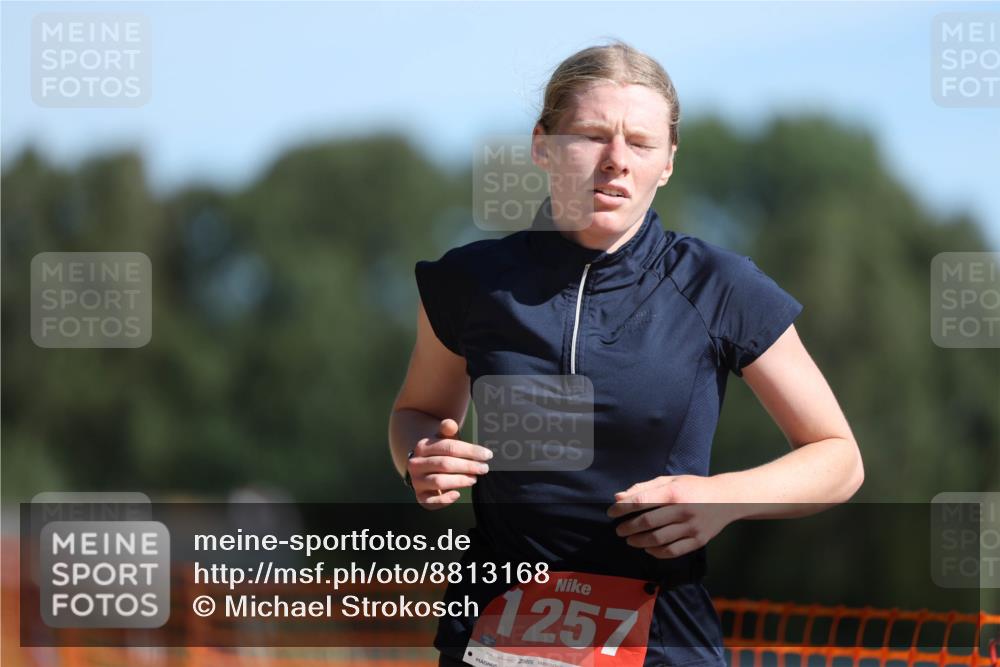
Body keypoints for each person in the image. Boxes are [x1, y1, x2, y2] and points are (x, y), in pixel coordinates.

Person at [388, 40, 864, 667]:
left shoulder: (720, 286)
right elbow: (416, 414)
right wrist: (421, 458)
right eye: (590, 135)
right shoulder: (470, 283)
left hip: (665, 643)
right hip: (493, 640)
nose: (615, 161)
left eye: (639, 143)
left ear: (667, 162)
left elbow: (839, 457)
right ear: (542, 145)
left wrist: (722, 498)